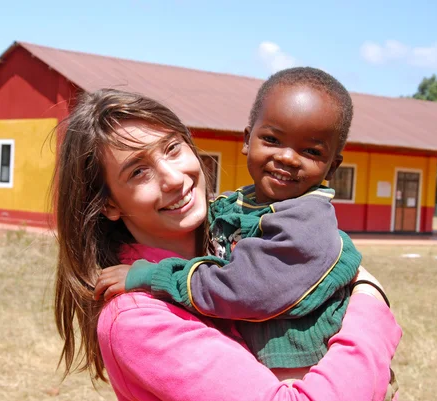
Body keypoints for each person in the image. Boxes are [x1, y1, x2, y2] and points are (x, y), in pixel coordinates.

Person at [53, 88, 401, 400]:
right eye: (137, 172)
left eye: (172, 149)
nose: (174, 178)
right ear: (109, 204)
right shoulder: (137, 317)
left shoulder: (238, 236)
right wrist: (370, 304)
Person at [95, 68, 362, 375]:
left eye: (311, 151)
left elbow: (239, 289)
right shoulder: (245, 203)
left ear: (333, 166)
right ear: (248, 140)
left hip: (301, 366)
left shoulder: (305, 222)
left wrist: (152, 275)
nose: (288, 157)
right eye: (273, 139)